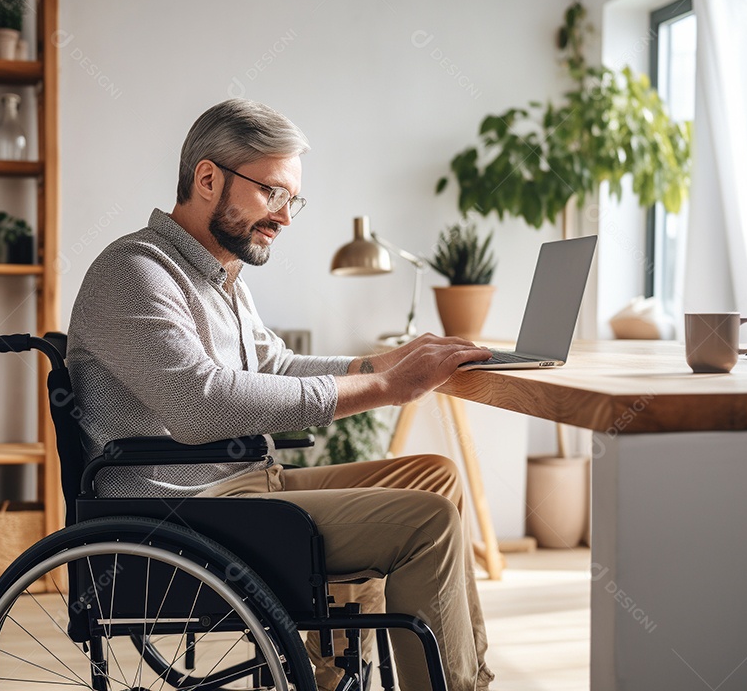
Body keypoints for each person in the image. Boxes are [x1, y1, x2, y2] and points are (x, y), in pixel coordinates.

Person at [67, 98, 495, 691]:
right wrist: (383, 387)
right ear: (208, 177)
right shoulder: (136, 271)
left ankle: (343, 671)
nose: (286, 217)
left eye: (292, 199)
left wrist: (383, 362)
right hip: (183, 514)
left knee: (435, 478)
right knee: (429, 523)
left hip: (243, 489)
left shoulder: (220, 274)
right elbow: (200, 403)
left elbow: (276, 364)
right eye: (273, 193)